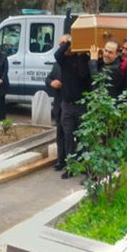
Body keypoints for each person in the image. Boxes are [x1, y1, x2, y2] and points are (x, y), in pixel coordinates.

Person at [54, 35, 91, 179]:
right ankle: (70, 166)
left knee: (83, 138)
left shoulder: (83, 59)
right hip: (67, 106)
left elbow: (83, 74)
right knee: (68, 137)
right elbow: (57, 54)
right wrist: (69, 41)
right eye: (62, 44)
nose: (63, 47)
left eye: (65, 44)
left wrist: (79, 51)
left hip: (81, 106)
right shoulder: (63, 60)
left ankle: (85, 167)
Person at [45, 62, 66, 171]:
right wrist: (52, 82)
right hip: (59, 104)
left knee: (69, 136)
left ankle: (71, 162)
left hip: (71, 105)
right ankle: (60, 160)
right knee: (60, 134)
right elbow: (47, 79)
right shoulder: (57, 64)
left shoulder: (74, 63)